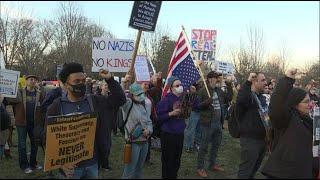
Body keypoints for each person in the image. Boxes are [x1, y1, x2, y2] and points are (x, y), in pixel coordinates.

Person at [45, 62, 126, 179]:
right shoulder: (56, 107)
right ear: (66, 85)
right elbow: (47, 138)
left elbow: (120, 99)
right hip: (70, 169)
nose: (81, 84)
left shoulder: (95, 101)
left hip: (92, 164)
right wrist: (60, 164)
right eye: (76, 82)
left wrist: (110, 79)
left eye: (83, 81)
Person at [262, 69, 315, 178]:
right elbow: (277, 106)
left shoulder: (308, 120)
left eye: (310, 101)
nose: (310, 105)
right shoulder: (286, 119)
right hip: (284, 173)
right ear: (295, 104)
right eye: (306, 102)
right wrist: (288, 80)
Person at [157, 76, 196, 179]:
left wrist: (193, 94)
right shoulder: (166, 100)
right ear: (171, 88)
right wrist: (171, 114)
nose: (180, 87)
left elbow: (196, 106)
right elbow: (159, 117)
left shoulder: (184, 97)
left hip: (179, 133)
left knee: (176, 159)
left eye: (181, 85)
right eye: (177, 85)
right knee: (167, 160)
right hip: (168, 134)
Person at [196, 71, 233, 178]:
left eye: (218, 77)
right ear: (210, 79)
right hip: (207, 123)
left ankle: (212, 164)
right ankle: (200, 167)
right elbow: (197, 106)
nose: (218, 79)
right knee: (204, 146)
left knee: (216, 145)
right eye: (216, 77)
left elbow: (229, 98)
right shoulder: (203, 91)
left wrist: (229, 85)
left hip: (218, 123)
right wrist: (207, 102)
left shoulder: (218, 90)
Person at [236, 72, 268, 178]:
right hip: (250, 140)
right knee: (245, 172)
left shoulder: (262, 97)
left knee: (253, 170)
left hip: (263, 140)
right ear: (255, 81)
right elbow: (241, 99)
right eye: (263, 80)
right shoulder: (248, 96)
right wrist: (248, 81)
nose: (266, 82)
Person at [13, 75, 45, 174]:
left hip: (34, 124)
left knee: (35, 144)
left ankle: (33, 164)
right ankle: (24, 166)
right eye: (31, 79)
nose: (33, 81)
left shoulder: (39, 93)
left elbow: (43, 106)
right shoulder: (19, 92)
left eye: (35, 79)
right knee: (22, 145)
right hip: (22, 123)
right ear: (26, 81)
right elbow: (11, 100)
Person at [121, 83, 153, 179]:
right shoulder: (128, 104)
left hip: (144, 142)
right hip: (133, 143)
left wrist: (149, 130)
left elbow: (149, 121)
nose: (141, 96)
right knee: (129, 171)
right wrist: (124, 83)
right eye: (138, 94)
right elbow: (120, 96)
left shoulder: (142, 105)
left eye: (141, 93)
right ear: (132, 95)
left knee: (139, 169)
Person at [139, 81, 157, 165]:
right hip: (138, 123)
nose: (147, 86)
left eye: (147, 84)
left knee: (147, 141)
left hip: (148, 122)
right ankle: (137, 159)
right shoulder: (136, 96)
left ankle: (146, 159)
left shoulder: (149, 96)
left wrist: (153, 119)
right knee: (138, 142)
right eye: (144, 84)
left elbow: (152, 110)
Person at [184, 84, 200, 153]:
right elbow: (192, 103)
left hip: (201, 113)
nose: (193, 89)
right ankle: (188, 146)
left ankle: (196, 145)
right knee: (191, 130)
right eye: (192, 88)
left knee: (198, 130)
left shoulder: (199, 93)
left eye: (194, 89)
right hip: (194, 112)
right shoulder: (189, 94)